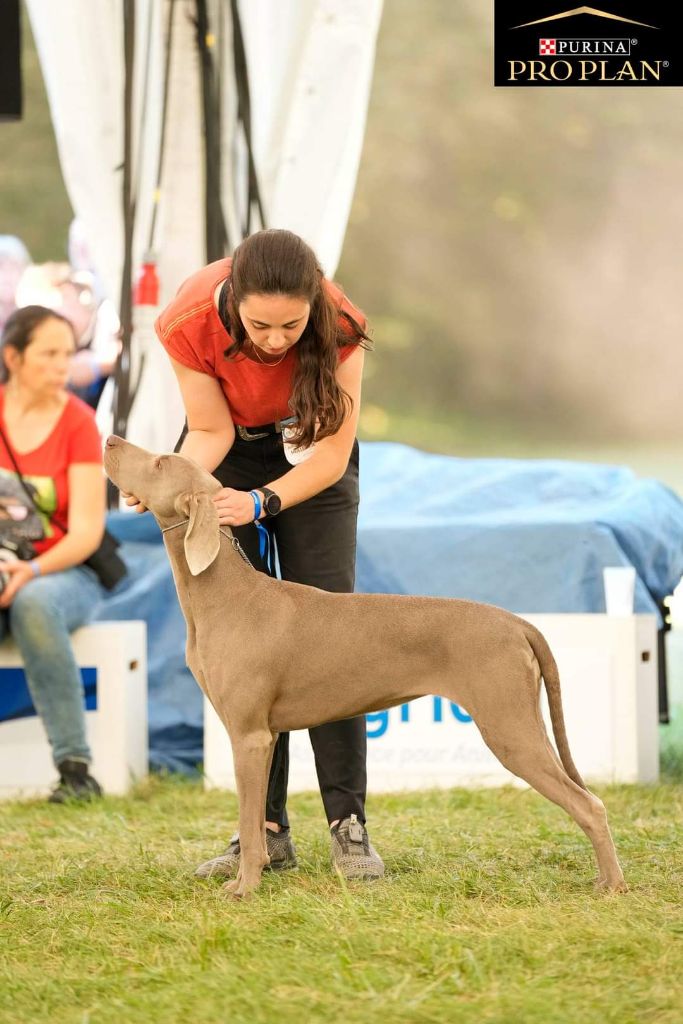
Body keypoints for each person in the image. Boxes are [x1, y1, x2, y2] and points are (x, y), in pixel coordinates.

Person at [126, 228, 383, 880]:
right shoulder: (185, 318)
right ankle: (262, 833)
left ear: (313, 308)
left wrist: (264, 501)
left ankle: (346, 823)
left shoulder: (342, 321)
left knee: (333, 635)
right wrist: (174, 484)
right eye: (259, 325)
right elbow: (210, 431)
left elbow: (328, 456)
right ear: (233, 298)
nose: (274, 340)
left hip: (310, 460)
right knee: (240, 651)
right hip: (228, 451)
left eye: (290, 326)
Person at [0, 305, 108, 802]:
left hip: (64, 571)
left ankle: (74, 770)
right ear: (14, 357)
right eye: (48, 353)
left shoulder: (80, 424)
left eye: (68, 353)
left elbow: (87, 532)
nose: (62, 364)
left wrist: (32, 568)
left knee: (35, 601)